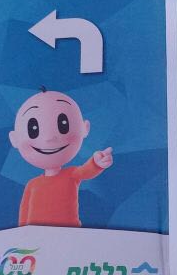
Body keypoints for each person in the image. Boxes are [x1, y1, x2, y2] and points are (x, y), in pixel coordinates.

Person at [9, 89, 113, 226]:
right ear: (14, 139)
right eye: (33, 129)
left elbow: (86, 171)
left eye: (63, 124)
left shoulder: (71, 175)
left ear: (84, 128)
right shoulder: (32, 184)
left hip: (68, 233)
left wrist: (97, 163)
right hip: (37, 235)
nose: (49, 138)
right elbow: (24, 212)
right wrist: (23, 232)